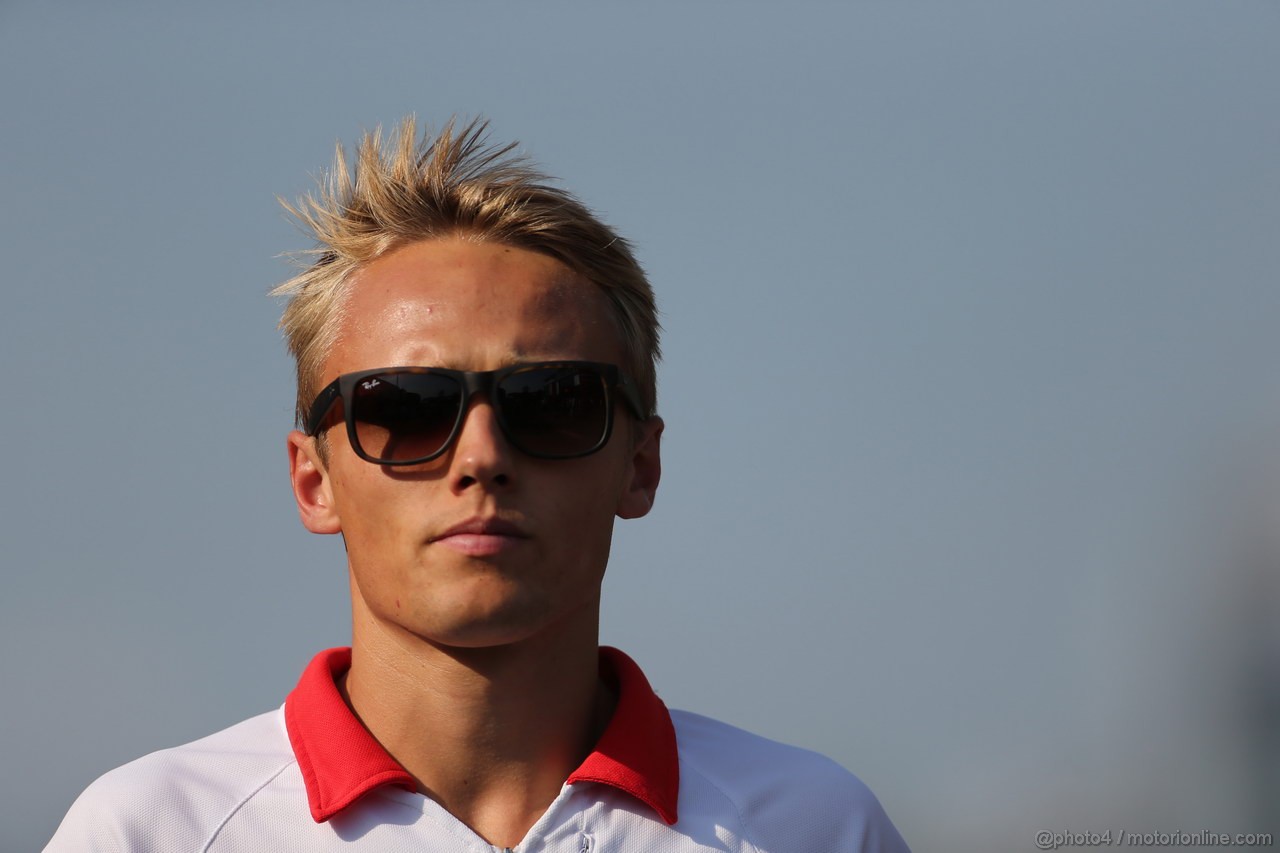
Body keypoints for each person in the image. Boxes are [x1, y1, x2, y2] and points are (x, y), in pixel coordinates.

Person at [45, 117, 910, 852]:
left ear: (640, 463)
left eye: (555, 402)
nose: (481, 454)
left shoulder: (817, 826)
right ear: (314, 479)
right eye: (407, 407)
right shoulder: (150, 831)